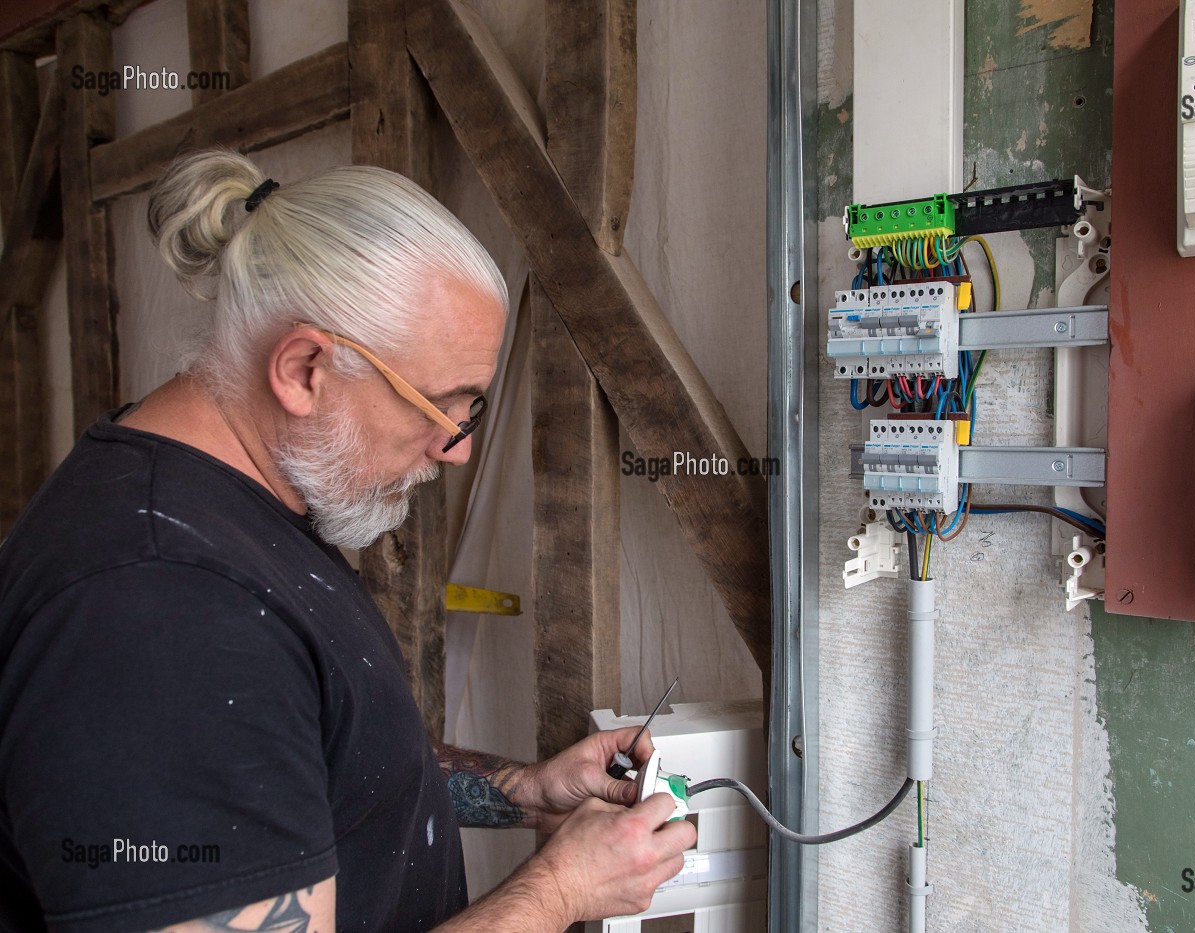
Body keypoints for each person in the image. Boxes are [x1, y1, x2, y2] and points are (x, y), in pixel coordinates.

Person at [0, 150, 694, 932]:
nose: (458, 448)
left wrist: (521, 789)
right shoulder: (161, 606)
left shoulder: (234, 498)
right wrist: (562, 890)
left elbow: (309, 754)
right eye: (443, 407)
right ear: (304, 368)